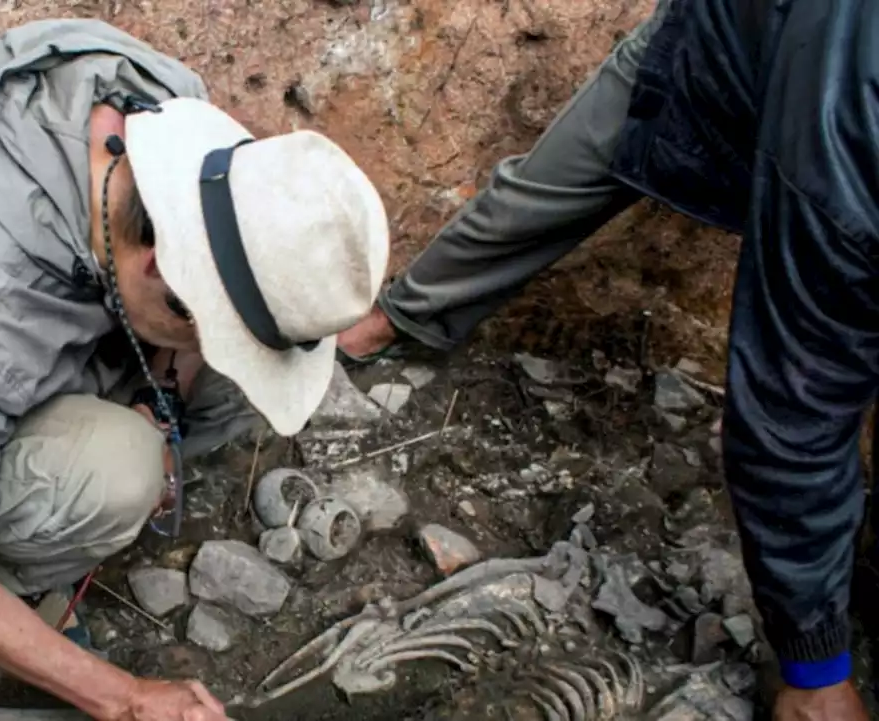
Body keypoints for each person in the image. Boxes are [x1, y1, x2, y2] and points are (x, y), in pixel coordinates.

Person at [0, 18, 390, 721]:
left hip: (28, 341)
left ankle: (95, 459)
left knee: (228, 389)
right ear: (161, 271)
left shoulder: (172, 123)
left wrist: (162, 393)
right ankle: (21, 575)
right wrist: (127, 699)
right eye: (201, 321)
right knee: (120, 474)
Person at [340, 0, 877, 719]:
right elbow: (792, 409)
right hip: (719, 49)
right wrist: (815, 668)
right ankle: (391, 320)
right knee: (545, 191)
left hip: (818, 100)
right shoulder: (852, 139)